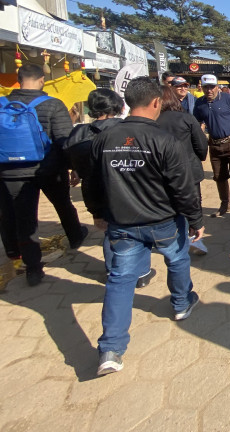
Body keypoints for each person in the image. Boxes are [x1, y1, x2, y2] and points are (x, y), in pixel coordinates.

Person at [83, 77, 204, 376]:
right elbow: (183, 188)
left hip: (121, 224)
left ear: (126, 103)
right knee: (177, 259)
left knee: (119, 279)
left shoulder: (103, 139)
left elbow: (92, 183)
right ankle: (180, 303)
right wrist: (195, 220)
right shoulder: (165, 141)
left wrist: (97, 213)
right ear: (156, 103)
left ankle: (111, 349)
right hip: (163, 221)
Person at [0, 64, 88, 286]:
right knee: (63, 204)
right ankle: (76, 236)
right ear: (42, 80)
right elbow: (65, 141)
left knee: (21, 217)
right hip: (49, 169)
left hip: (10, 172)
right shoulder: (52, 104)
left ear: (18, 80)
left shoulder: (3, 104)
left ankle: (30, 266)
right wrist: (73, 168)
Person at [65, 89, 157, 286]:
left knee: (110, 232)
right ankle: (140, 273)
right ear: (119, 107)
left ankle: (112, 271)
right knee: (138, 232)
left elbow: (74, 164)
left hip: (95, 192)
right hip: (130, 190)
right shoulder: (127, 129)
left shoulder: (78, 133)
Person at [158, 86, 209, 255]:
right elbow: (201, 146)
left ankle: (168, 240)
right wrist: (198, 157)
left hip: (160, 173)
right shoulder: (187, 118)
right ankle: (194, 240)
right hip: (189, 171)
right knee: (192, 204)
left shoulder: (152, 121)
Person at [193, 74, 230, 219]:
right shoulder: (199, 103)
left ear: (217, 87)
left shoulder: (227, 99)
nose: (209, 90)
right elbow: (198, 123)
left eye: (212, 87)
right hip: (214, 145)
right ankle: (226, 204)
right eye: (206, 87)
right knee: (219, 176)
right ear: (201, 87)